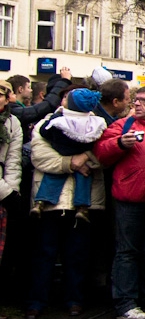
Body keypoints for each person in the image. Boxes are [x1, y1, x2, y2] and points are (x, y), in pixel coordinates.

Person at [94, 85, 145, 319]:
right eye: (135, 100)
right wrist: (119, 144)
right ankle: (125, 302)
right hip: (129, 198)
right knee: (127, 251)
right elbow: (101, 153)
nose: (136, 104)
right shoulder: (123, 126)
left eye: (143, 101)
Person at [26, 89, 106, 319]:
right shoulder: (47, 124)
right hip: (50, 202)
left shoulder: (98, 126)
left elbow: (103, 154)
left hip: (83, 202)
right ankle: (36, 301)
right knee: (44, 252)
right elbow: (40, 157)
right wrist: (72, 162)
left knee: (77, 253)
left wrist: (87, 159)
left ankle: (75, 299)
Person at [30, 89, 107, 224]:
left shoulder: (56, 120)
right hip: (83, 162)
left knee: (52, 176)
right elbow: (102, 144)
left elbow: (45, 132)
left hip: (61, 152)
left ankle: (41, 201)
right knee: (84, 177)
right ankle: (82, 207)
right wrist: (86, 154)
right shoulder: (97, 124)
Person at [0, 80, 23, 292]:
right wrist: (6, 192)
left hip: (4, 191)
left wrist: (12, 190)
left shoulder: (12, 122)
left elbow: (13, 160)